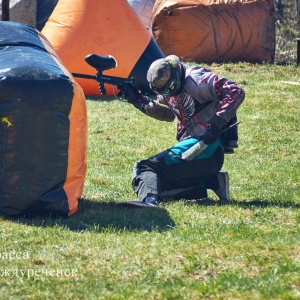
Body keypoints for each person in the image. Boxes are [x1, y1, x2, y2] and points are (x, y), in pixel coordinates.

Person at [122, 55, 245, 207]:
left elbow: (235, 91)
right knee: (155, 183)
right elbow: (168, 114)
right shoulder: (168, 84)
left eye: (169, 90)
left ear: (175, 75)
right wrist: (140, 101)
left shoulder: (198, 80)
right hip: (200, 156)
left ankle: (150, 203)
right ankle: (212, 182)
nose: (168, 95)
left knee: (144, 168)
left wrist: (215, 124)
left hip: (207, 147)